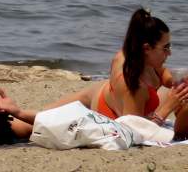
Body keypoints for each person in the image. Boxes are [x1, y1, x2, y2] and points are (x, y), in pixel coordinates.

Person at [44, 8, 188, 138]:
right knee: (40, 124)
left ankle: (23, 114)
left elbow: (162, 74)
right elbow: (133, 132)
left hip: (101, 92)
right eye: (165, 47)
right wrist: (168, 107)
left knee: (44, 115)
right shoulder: (136, 87)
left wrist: (174, 81)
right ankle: (20, 115)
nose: (169, 53)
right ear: (146, 48)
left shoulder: (138, 59)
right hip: (108, 110)